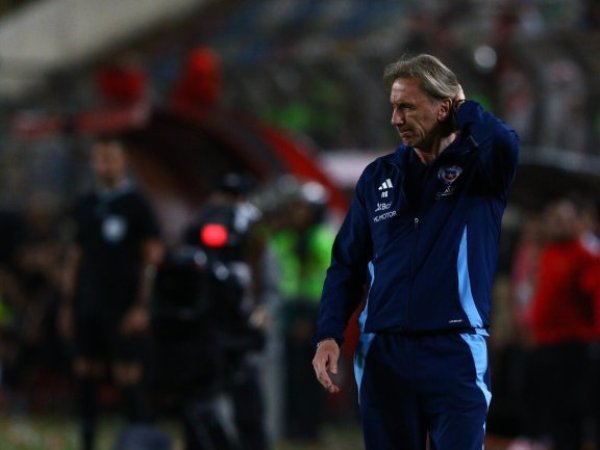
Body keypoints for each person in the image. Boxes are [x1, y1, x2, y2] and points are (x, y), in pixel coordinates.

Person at [312, 54, 519, 450]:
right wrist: (328, 334)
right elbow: (346, 265)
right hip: (384, 350)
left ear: (444, 108)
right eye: (394, 107)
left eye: (407, 106)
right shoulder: (377, 177)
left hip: (455, 348)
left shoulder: (481, 170)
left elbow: (505, 141)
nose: (396, 119)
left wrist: (464, 107)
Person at [59, 138, 164, 450]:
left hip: (124, 302)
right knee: (85, 369)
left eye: (110, 159)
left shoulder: (137, 204)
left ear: (123, 162)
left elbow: (152, 255)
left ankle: (139, 439)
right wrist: (68, 303)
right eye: (99, 160)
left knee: (127, 373)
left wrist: (143, 304)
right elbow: (75, 256)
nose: (104, 166)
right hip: (89, 301)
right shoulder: (86, 204)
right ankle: (87, 440)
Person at [527, 198, 600, 450]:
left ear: (574, 222)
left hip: (572, 344)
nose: (557, 224)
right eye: (553, 219)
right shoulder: (548, 252)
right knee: (551, 405)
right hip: (545, 342)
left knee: (571, 409)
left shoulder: (585, 254)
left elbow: (595, 296)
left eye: (562, 219)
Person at [270, 180, 336, 442]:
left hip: (314, 310)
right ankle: (290, 426)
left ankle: (310, 429)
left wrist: (313, 319)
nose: (297, 213)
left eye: (303, 208)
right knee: (290, 372)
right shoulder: (284, 238)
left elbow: (330, 280)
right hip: (287, 310)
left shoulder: (324, 239)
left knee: (312, 374)